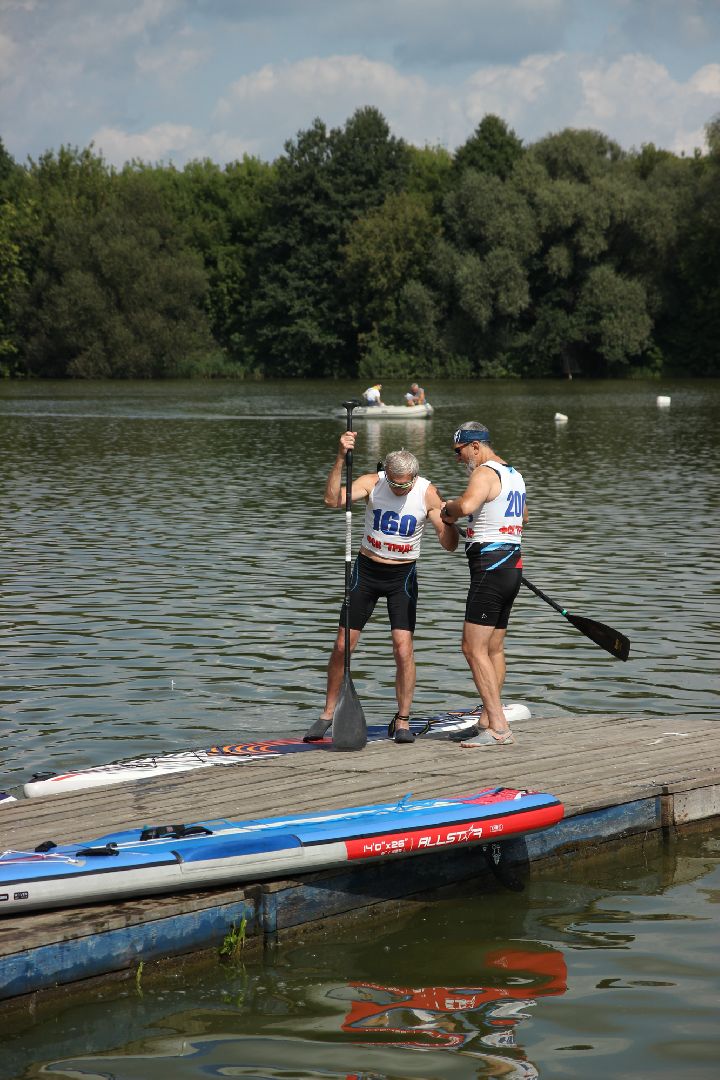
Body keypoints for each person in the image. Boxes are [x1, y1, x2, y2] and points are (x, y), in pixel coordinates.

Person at [304, 431, 454, 745]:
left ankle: (403, 719)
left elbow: (448, 543)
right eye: (394, 484)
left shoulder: (427, 492)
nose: (399, 489)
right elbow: (332, 500)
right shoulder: (373, 482)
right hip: (367, 573)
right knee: (343, 645)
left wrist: (450, 522)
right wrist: (340, 458)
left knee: (403, 648)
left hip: (402, 578)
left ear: (414, 477)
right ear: (387, 474)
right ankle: (328, 713)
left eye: (405, 485)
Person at [439, 422, 527, 747]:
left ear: (475, 446)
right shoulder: (514, 474)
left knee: (472, 648)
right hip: (511, 569)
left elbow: (465, 507)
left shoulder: (484, 473)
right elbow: (524, 517)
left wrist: (448, 510)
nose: (458, 458)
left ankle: (499, 728)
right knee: (494, 649)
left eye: (459, 451)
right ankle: (487, 720)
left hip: (489, 571)